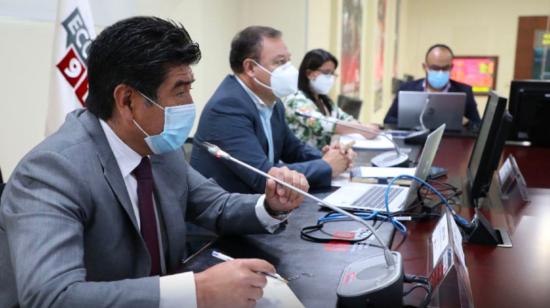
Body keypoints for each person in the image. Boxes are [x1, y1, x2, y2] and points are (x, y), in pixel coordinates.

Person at [0, 17, 309, 308]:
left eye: (190, 88)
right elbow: (52, 297)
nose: (190, 104)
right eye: (179, 90)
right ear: (127, 101)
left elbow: (213, 205)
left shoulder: (158, 146)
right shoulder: (51, 171)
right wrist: (197, 291)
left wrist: (270, 205)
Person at [190, 26, 354, 194]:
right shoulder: (227, 107)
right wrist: (326, 166)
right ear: (250, 68)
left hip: (262, 208)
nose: (290, 69)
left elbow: (293, 149)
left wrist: (330, 155)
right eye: (280, 62)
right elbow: (263, 177)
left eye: (289, 60)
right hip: (226, 215)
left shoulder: (272, 100)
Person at [283, 49, 380, 149]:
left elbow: (344, 118)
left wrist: (365, 127)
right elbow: (322, 123)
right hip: (300, 162)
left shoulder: (323, 99)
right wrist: (361, 129)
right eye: (327, 72)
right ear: (309, 73)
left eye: (332, 73)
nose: (331, 78)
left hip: (320, 158)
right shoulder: (295, 100)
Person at [383, 44, 481, 128]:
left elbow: (479, 128)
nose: (440, 72)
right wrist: (409, 120)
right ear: (425, 67)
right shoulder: (406, 88)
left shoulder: (464, 91)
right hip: (415, 143)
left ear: (451, 67)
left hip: (450, 144)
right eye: (435, 68)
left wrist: (464, 121)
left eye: (445, 68)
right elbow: (388, 121)